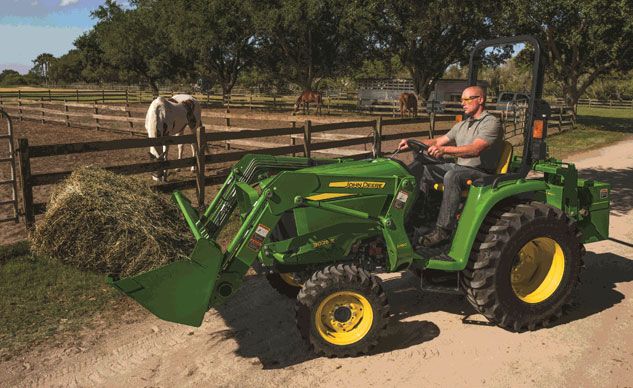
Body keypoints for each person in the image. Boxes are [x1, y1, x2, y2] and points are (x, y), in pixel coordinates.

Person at [398, 86, 503, 247]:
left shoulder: (490, 123)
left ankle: (443, 231)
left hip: (482, 172)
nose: (462, 103)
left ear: (480, 100)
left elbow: (475, 149)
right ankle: (419, 219)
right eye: (461, 100)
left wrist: (445, 150)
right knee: (424, 169)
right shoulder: (463, 124)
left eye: (466, 99)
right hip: (460, 168)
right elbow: (439, 141)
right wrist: (412, 142)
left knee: (452, 176)